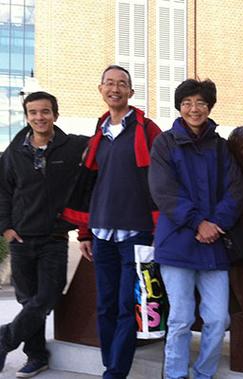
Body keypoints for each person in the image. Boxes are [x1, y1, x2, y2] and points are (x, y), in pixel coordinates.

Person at [63, 65, 161, 379]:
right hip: (102, 233)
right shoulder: (98, 133)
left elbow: (161, 180)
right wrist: (84, 233)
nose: (115, 88)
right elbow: (88, 185)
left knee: (124, 307)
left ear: (131, 92)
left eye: (122, 84)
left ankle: (115, 372)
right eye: (109, 83)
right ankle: (111, 364)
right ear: (101, 89)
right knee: (104, 305)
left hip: (137, 235)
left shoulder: (147, 130)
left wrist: (160, 230)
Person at [148, 78, 243, 379]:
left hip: (214, 244)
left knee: (218, 319)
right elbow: (163, 190)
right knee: (179, 318)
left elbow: (235, 191)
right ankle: (175, 374)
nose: (194, 108)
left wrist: (216, 224)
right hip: (177, 242)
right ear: (179, 107)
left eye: (201, 102)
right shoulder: (164, 143)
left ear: (209, 107)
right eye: (187, 103)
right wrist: (197, 222)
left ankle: (203, 373)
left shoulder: (221, 146)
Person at [0, 91, 87, 377]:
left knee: (47, 295)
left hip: (55, 237)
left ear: (55, 114)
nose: (40, 117)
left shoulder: (72, 146)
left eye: (45, 111)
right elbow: (4, 191)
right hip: (21, 238)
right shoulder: (14, 152)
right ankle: (36, 356)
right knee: (28, 301)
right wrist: (6, 228)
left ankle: (5, 339)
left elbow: (104, 150)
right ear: (26, 116)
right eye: (33, 112)